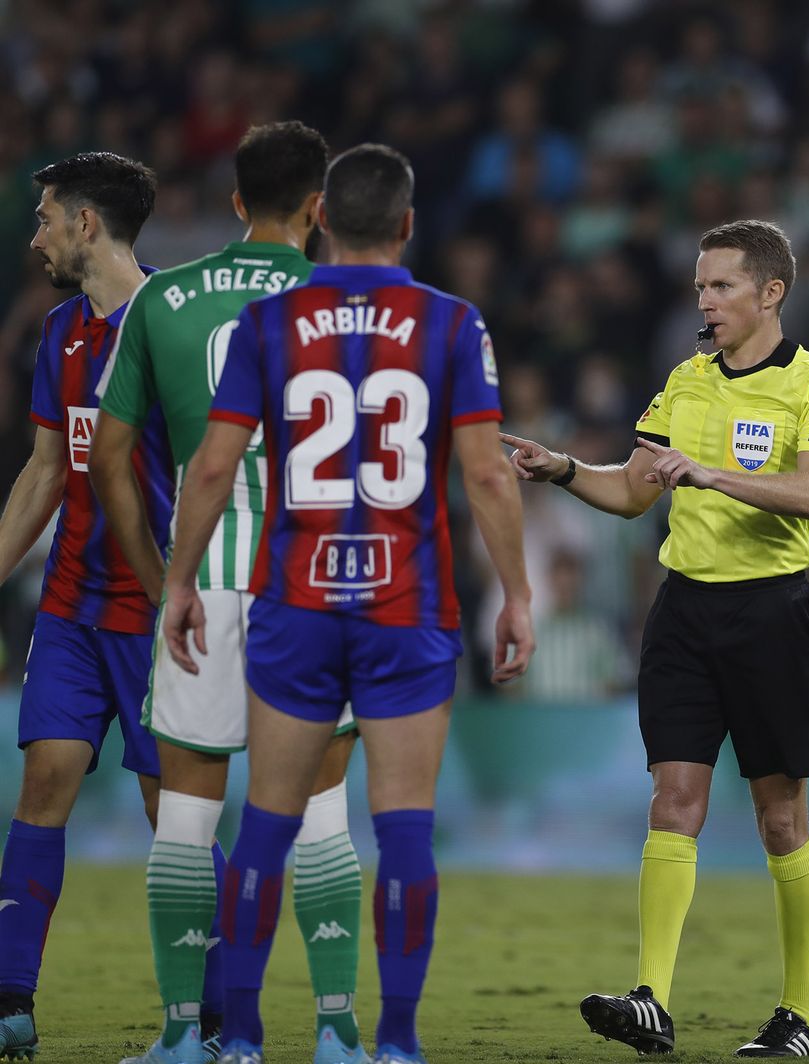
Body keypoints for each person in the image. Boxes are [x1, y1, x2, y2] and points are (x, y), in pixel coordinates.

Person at [160, 143, 533, 1064]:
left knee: (267, 826)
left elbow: (212, 465)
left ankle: (240, 1038)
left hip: (296, 601)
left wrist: (179, 580)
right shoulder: (453, 323)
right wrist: (518, 595)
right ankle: (394, 1043)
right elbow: (486, 473)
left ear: (321, 217)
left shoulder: (269, 321)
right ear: (409, 224)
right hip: (406, 604)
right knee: (404, 822)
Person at [501, 219, 809, 1058]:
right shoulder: (685, 382)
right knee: (674, 803)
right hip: (685, 612)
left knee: (780, 822)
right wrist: (561, 470)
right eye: (700, 285)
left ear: (771, 292)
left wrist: (708, 474)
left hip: (770, 613)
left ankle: (797, 1014)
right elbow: (631, 492)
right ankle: (652, 997)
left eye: (723, 285)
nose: (705, 300)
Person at [90, 122, 370, 1064]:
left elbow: (111, 459)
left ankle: (183, 1040)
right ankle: (334, 1033)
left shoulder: (163, 300)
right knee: (324, 815)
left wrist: (156, 579)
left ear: (237, 201)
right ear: (320, 209)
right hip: (314, 591)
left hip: (203, 585)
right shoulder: (346, 303)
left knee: (186, 816)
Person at [0, 151, 166, 1060]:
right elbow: (43, 470)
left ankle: (216, 1014)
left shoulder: (180, 326)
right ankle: (9, 1002)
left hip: (156, 611)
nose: (37, 239)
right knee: (46, 781)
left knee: (168, 811)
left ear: (86, 226)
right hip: (69, 608)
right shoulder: (61, 331)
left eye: (47, 220)